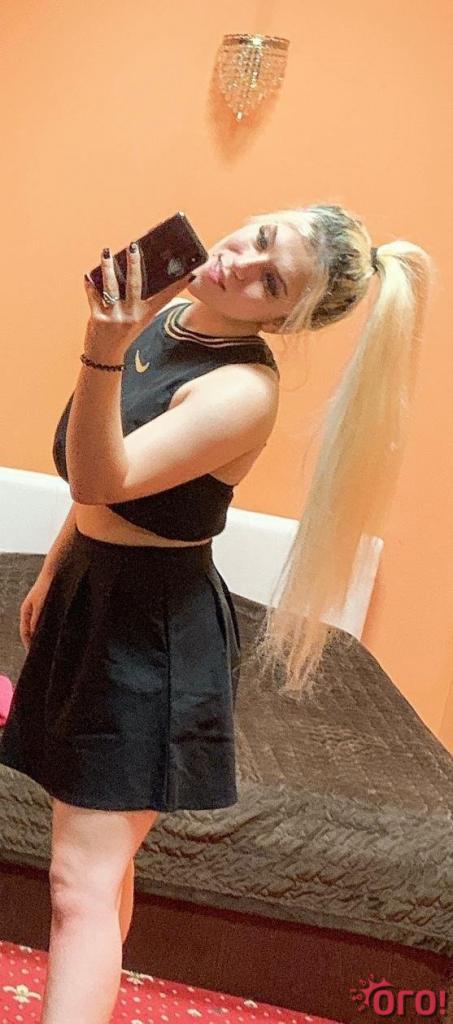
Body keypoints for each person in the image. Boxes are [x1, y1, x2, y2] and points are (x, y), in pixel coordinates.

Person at [0, 202, 435, 1023]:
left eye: (270, 281)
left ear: (284, 320)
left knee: (77, 884)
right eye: (260, 237)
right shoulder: (167, 319)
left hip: (150, 636)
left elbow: (102, 476)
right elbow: (100, 484)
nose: (240, 261)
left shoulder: (241, 391)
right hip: (94, 594)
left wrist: (101, 348)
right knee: (100, 864)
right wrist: (55, 568)